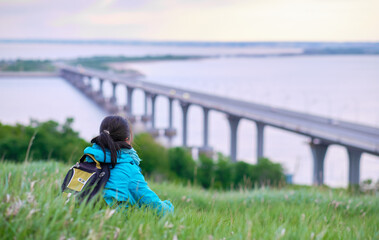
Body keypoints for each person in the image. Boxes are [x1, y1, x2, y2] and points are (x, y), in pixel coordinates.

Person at [83, 115, 174, 216]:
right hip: (112, 224)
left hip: (83, 216)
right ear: (127, 140)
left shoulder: (88, 162)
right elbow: (157, 208)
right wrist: (169, 207)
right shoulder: (128, 169)